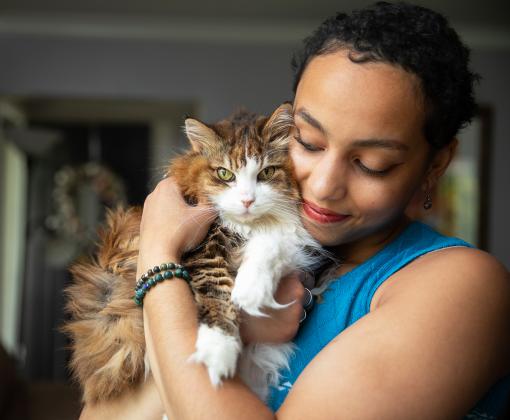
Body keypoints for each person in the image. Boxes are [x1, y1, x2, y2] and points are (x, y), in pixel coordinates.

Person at [80, 2, 510, 419]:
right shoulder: (260, 243)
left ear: (435, 165)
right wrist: (234, 323)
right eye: (307, 142)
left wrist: (157, 260)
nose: (323, 186)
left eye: (371, 163)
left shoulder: (463, 286)